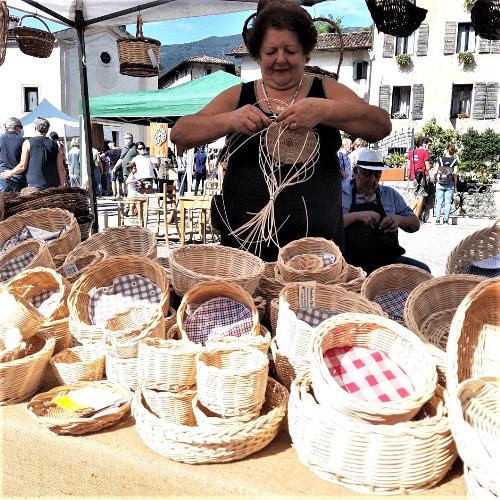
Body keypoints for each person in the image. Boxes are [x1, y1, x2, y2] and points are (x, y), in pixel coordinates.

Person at [170, 0, 391, 261]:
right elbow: (180, 134)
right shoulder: (239, 96)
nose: (280, 59)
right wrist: (230, 120)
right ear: (258, 54)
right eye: (270, 51)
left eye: (291, 50)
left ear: (305, 53)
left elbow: (380, 126)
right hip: (246, 248)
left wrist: (325, 111)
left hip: (315, 252)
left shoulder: (326, 91)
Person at [342, 148, 430, 274]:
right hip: (351, 265)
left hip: (388, 263)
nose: (372, 182)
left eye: (377, 176)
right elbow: (329, 226)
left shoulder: (389, 194)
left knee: (424, 271)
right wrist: (356, 216)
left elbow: (415, 224)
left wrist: (397, 220)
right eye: (367, 175)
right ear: (356, 171)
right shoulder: (341, 194)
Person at [0, 117, 66, 190]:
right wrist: (62, 186)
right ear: (47, 129)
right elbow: (61, 168)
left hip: (33, 184)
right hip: (52, 184)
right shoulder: (56, 145)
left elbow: (22, 166)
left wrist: (9, 173)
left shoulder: (28, 143)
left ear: (35, 128)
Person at [408, 136, 432, 222]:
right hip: (423, 176)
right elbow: (427, 167)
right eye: (429, 144)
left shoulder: (411, 152)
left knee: (417, 196)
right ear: (424, 144)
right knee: (421, 196)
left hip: (414, 176)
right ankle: (416, 217)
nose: (429, 146)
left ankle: (408, 212)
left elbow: (409, 165)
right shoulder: (425, 152)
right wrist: (430, 165)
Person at [434, 144, 459, 225]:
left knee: (439, 202)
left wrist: (435, 179)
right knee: (448, 203)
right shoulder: (455, 161)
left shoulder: (440, 159)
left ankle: (437, 220)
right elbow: (455, 173)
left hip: (440, 183)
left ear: (447, 150)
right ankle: (446, 221)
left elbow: (435, 171)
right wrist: (455, 185)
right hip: (449, 184)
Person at [0, 117, 25, 192]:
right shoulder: (22, 141)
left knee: (3, 202)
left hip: (2, 176)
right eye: (20, 127)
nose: (21, 129)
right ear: (15, 127)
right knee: (19, 203)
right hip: (18, 177)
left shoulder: (0, 139)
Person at [113, 133, 137, 197]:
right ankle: (127, 204)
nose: (127, 140)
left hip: (134, 172)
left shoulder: (135, 147)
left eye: (128, 138)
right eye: (125, 139)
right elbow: (121, 159)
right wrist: (115, 168)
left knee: (134, 189)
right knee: (126, 188)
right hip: (125, 172)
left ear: (132, 139)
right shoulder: (124, 148)